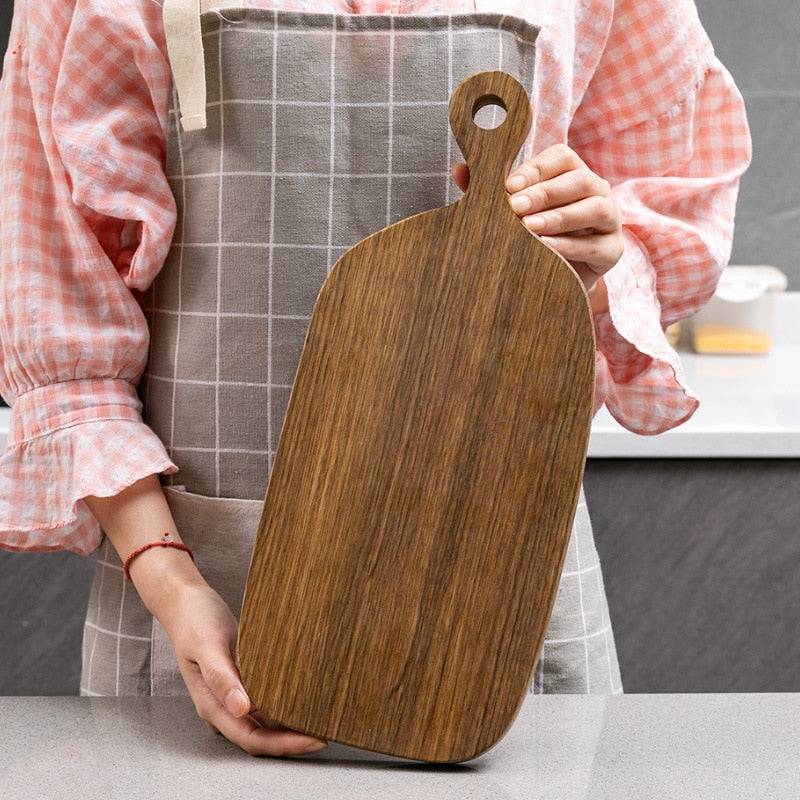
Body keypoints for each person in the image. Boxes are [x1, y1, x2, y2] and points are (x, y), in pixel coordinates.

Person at [0, 0, 751, 758]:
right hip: (198, 604)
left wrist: (592, 255)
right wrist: (172, 583)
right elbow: (60, 316)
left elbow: (668, 202)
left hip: (496, 598)